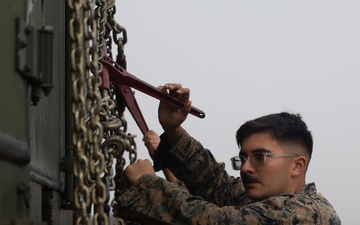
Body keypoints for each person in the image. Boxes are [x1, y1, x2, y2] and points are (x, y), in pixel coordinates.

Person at [117, 83, 341, 224]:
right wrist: (173, 130)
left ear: (297, 165)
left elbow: (213, 220)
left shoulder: (306, 214)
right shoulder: (262, 197)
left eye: (260, 157)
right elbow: (215, 183)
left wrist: (147, 185)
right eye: (243, 158)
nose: (245, 168)